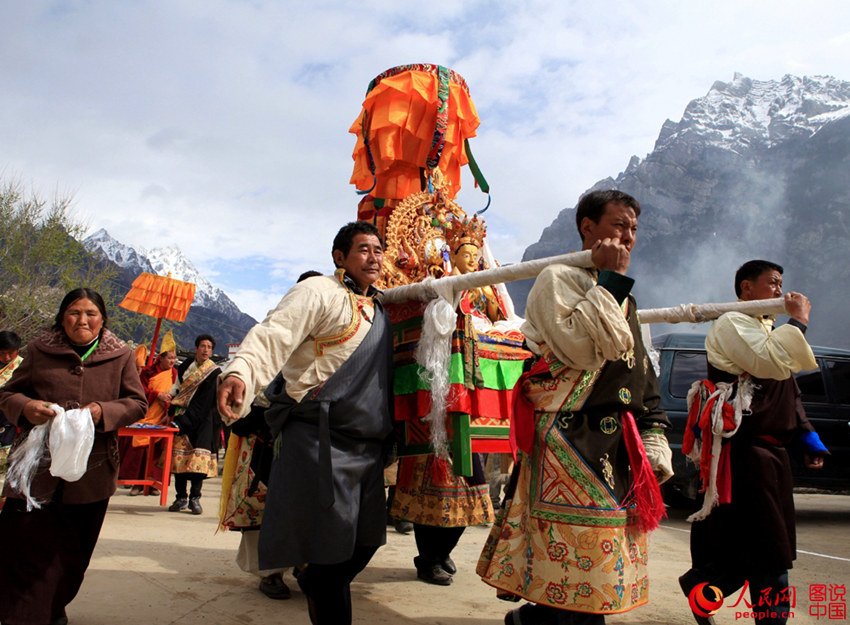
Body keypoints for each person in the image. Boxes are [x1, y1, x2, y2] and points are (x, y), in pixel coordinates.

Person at [476, 190, 674, 625]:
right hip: (568, 439)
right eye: (619, 225)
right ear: (588, 227)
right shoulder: (557, 278)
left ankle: (530, 622)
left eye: (634, 229)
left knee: (595, 581)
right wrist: (610, 283)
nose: (628, 236)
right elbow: (580, 352)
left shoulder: (624, 295)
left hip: (615, 446)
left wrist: (654, 432)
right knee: (575, 571)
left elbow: (638, 370)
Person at [217, 221, 394, 625]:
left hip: (365, 449)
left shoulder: (380, 306)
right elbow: (272, 335)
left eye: (379, 249)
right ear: (339, 257)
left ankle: (313, 577)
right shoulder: (318, 292)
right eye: (363, 249)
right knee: (331, 560)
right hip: (319, 442)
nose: (374, 256)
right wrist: (240, 371)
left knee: (363, 544)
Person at [679, 260, 828, 625]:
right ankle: (719, 592)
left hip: (772, 459)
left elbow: (790, 395)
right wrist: (798, 323)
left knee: (760, 546)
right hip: (743, 456)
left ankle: (701, 585)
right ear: (746, 288)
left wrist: (807, 441)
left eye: (781, 284)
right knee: (766, 550)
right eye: (772, 283)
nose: (779, 291)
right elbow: (768, 363)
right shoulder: (732, 323)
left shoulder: (767, 328)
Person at [0, 288, 147, 625]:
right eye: (74, 312)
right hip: (37, 469)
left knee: (72, 553)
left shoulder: (121, 355)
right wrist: (26, 407)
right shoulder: (39, 350)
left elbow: (136, 402)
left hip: (91, 471)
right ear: (62, 317)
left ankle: (51, 608)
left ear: (102, 319)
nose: (82, 320)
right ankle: (26, 614)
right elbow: (9, 393)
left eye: (90, 313)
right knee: (21, 544)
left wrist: (101, 411)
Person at [218, 270, 322, 601]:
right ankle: (269, 571)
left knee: (309, 505)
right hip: (262, 433)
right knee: (263, 503)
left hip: (309, 433)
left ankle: (306, 566)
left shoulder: (331, 336)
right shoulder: (274, 331)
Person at [118, 332, 179, 496]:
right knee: (139, 449)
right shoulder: (147, 372)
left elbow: (178, 393)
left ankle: (153, 484)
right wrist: (156, 395)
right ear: (161, 358)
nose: (172, 361)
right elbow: (139, 390)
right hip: (145, 415)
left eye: (174, 358)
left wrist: (168, 401)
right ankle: (136, 484)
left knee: (157, 451)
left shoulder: (174, 374)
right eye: (170, 358)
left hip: (162, 416)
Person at [167, 334, 221, 515]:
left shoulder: (214, 372)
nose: (206, 350)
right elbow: (177, 388)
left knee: (198, 462)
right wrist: (170, 397)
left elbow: (207, 401)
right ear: (196, 348)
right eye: (203, 346)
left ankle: (195, 498)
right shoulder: (185, 367)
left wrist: (186, 419)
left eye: (209, 347)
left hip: (203, 421)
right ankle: (180, 497)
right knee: (179, 460)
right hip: (181, 417)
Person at [0, 330, 24, 505]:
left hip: (11, 424)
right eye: (2, 352)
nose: (7, 357)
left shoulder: (24, 367)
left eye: (11, 352)